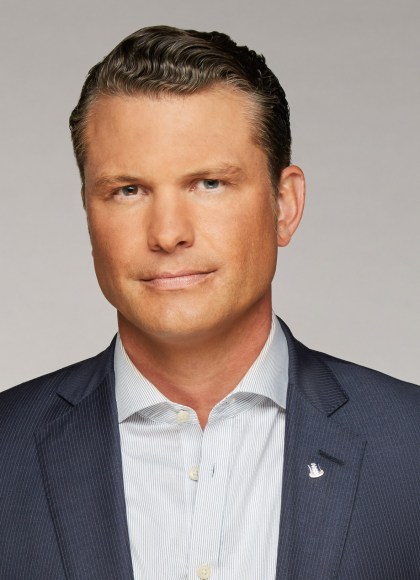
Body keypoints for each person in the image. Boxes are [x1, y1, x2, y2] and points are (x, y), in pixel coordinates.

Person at [0, 25, 419, 580]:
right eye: (128, 190)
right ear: (88, 212)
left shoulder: (410, 446)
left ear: (285, 205)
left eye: (209, 184)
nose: (168, 233)